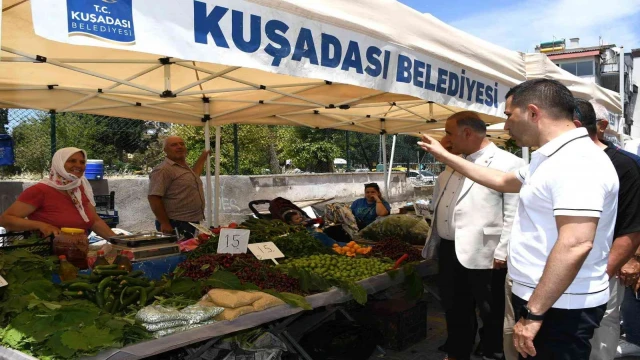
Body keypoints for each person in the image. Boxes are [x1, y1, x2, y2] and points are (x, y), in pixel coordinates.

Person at [419, 79, 619, 359]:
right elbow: (501, 180)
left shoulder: (576, 162)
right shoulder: (550, 158)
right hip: (546, 297)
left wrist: (534, 313)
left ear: (533, 113)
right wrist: (444, 155)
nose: (505, 126)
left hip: (560, 304)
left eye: (509, 115)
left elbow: (576, 243)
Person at [423, 111, 524, 360]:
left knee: (490, 308)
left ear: (467, 133)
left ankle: (491, 350)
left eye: (449, 132)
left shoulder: (508, 163)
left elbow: (513, 213)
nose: (445, 139)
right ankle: (458, 350)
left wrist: (502, 251)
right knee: (454, 306)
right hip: (449, 248)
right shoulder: (452, 164)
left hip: (486, 251)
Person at [569, 99, 640, 360]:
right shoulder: (565, 161)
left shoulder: (626, 164)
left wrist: (630, 259)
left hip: (607, 261)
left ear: (600, 126)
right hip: (569, 260)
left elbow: (632, 220)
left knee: (604, 323)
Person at [0, 147, 116, 240]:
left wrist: (120, 241)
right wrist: (41, 226)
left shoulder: (80, 188)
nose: (79, 165)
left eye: (82, 162)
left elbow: (94, 221)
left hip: (79, 253)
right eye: (72, 161)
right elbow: (6, 220)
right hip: (47, 258)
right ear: (59, 163)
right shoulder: (39, 191)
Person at [148, 136, 209, 239]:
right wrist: (164, 223)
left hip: (190, 222)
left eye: (182, 144)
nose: (179, 147)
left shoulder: (183, 167)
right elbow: (153, 197)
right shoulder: (163, 170)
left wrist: (203, 157)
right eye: (174, 145)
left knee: (190, 252)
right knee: (181, 253)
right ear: (165, 150)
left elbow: (194, 176)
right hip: (175, 223)